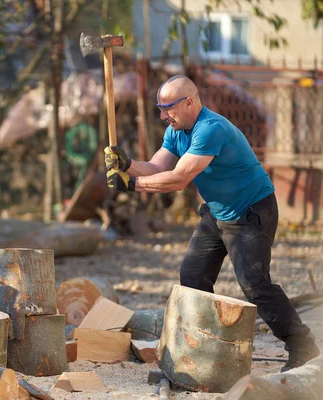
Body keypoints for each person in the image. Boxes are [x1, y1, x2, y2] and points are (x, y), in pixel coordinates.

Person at [104, 75, 319, 371]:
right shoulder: (176, 130)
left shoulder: (211, 129)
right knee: (192, 276)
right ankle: (207, 349)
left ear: (189, 102)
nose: (164, 115)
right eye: (160, 108)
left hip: (251, 210)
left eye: (169, 108)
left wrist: (130, 185)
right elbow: (156, 167)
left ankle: (302, 346)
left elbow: (179, 179)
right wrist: (127, 165)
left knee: (255, 284)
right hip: (217, 213)